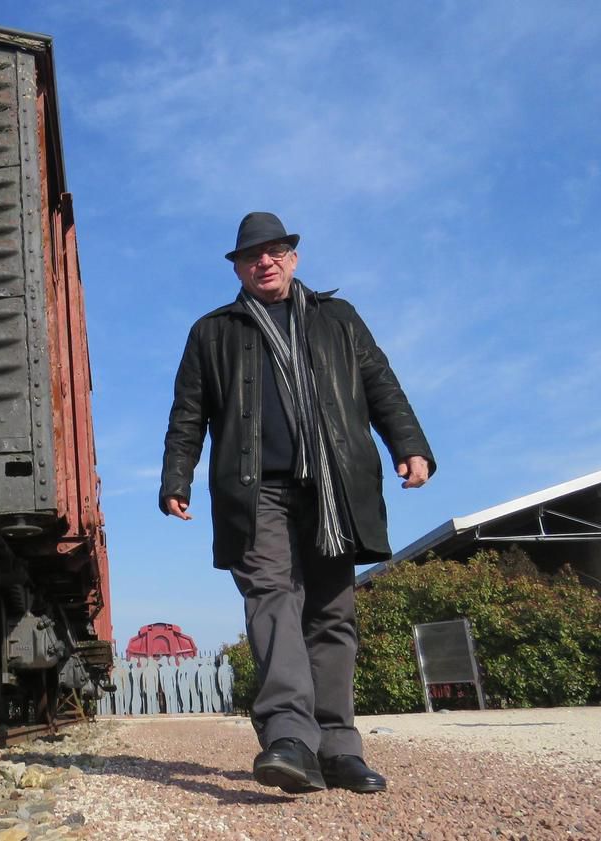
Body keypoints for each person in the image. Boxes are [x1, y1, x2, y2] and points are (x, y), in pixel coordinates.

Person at [160, 212, 435, 795]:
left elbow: (381, 385)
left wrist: (409, 445)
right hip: (253, 489)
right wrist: (175, 478)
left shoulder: (338, 318)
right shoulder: (212, 332)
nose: (266, 261)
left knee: (333, 612)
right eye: (252, 255)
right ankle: (289, 737)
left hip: (334, 486)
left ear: (294, 258)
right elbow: (189, 414)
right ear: (237, 266)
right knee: (271, 597)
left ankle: (337, 749)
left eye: (276, 250)